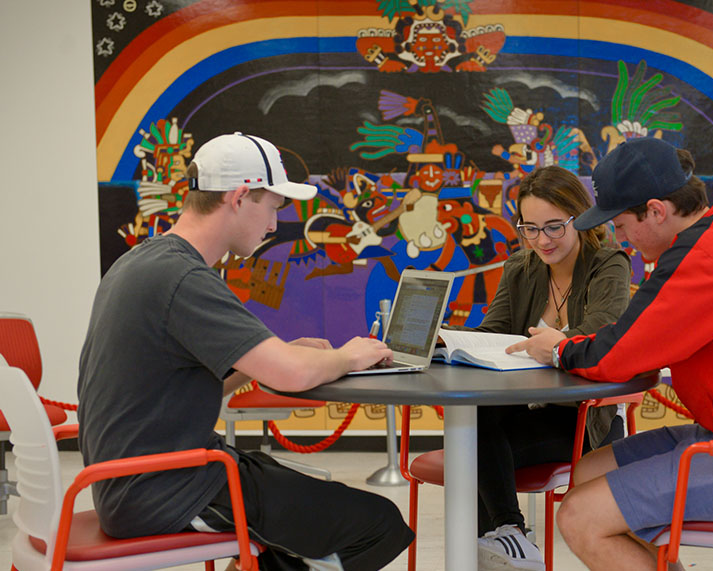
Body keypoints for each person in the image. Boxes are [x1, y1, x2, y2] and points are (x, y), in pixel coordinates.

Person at [506, 138, 713, 571]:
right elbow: (631, 339)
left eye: (622, 223)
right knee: (588, 472)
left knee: (579, 517)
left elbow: (616, 353)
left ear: (656, 210)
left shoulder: (705, 257)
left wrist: (556, 348)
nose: (622, 238)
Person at [77, 132, 414, 571]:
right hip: (165, 489)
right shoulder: (184, 279)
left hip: (139, 480)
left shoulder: (145, 261)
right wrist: (350, 356)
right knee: (378, 523)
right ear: (239, 197)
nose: (274, 225)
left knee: (300, 521)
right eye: (272, 207)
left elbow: (179, 385)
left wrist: (262, 360)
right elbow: (291, 375)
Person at [446, 165, 632, 571]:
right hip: (524, 412)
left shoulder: (608, 263)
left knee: (473, 451)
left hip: (583, 420)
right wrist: (446, 340)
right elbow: (492, 334)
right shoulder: (520, 268)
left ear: (579, 218)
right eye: (528, 228)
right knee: (471, 427)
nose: (540, 241)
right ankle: (509, 537)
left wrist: (557, 345)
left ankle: (506, 539)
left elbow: (599, 337)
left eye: (552, 227)